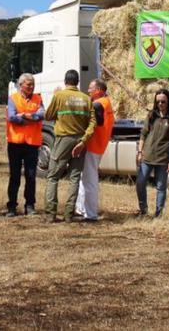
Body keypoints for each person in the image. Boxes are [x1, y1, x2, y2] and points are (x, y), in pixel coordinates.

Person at [43, 70, 96, 223]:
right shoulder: (86, 99)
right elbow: (93, 123)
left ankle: (50, 214)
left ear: (65, 81)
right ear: (77, 82)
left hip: (63, 140)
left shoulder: (59, 96)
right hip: (80, 141)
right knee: (74, 178)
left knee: (53, 176)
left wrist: (55, 96)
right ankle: (68, 214)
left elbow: (48, 116)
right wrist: (83, 141)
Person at [138, 89, 169, 218]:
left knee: (161, 187)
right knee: (140, 182)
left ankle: (158, 214)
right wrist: (140, 152)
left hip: (163, 158)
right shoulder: (151, 115)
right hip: (147, 156)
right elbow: (143, 134)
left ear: (168, 101)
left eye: (163, 101)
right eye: (158, 102)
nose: (160, 104)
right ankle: (143, 210)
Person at [5, 73, 44, 217]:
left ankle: (30, 205)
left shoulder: (38, 98)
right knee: (14, 175)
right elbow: (12, 117)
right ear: (21, 85)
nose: (31, 87)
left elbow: (41, 115)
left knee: (31, 175)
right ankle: (11, 206)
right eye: (29, 84)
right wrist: (29, 118)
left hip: (32, 143)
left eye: (33, 84)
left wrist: (25, 115)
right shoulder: (12, 98)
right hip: (15, 142)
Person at [75, 79, 113, 221]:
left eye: (91, 88)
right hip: (98, 145)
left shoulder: (97, 105)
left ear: (98, 90)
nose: (88, 90)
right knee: (85, 178)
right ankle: (81, 209)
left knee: (89, 180)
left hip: (92, 145)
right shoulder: (106, 102)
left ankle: (90, 214)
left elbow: (92, 124)